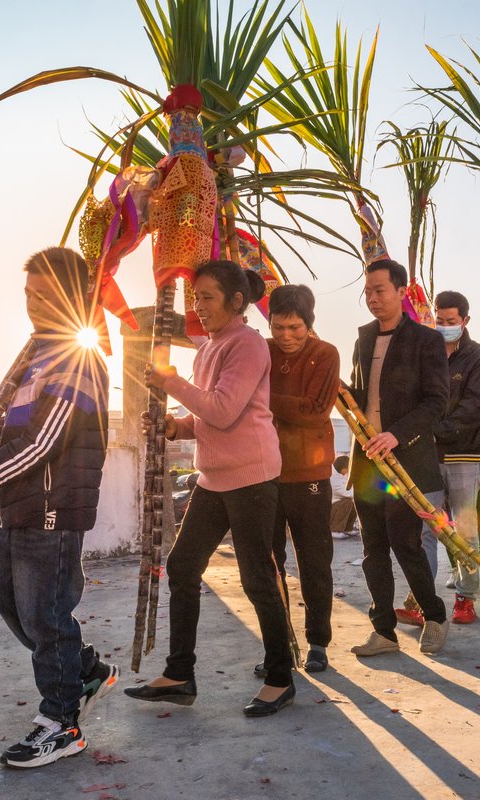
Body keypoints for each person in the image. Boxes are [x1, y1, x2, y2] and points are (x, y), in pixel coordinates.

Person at [0, 248, 116, 769]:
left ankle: (61, 722)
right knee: (12, 606)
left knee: (46, 614)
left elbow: (43, 444)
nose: (34, 305)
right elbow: (6, 427)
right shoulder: (36, 358)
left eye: (45, 295)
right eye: (28, 295)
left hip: (53, 509)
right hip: (17, 506)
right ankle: (83, 671)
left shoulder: (77, 358)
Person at [124, 260, 295, 717]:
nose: (198, 305)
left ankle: (281, 678)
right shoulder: (209, 348)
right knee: (182, 567)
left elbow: (224, 410)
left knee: (257, 577)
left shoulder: (249, 345)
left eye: (207, 297)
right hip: (214, 476)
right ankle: (180, 674)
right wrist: (179, 428)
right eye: (195, 297)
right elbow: (209, 420)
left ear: (237, 302)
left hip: (252, 476)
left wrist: (171, 383)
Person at [346, 258, 450, 656]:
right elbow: (361, 396)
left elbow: (437, 400)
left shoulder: (426, 340)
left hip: (405, 460)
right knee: (372, 547)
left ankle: (435, 616)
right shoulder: (362, 339)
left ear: (402, 291)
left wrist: (397, 434)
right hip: (367, 461)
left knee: (406, 544)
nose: (373, 298)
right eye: (368, 291)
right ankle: (384, 631)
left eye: (380, 290)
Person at [264, 284, 340, 673]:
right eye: (279, 328)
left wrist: (260, 396)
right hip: (263, 474)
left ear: (309, 324)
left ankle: (317, 643)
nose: (286, 336)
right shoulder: (260, 351)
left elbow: (314, 410)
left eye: (295, 328)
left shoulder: (325, 354)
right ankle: (280, 646)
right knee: (267, 565)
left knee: (314, 562)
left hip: (309, 475)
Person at [422, 290, 480, 625]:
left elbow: (476, 405)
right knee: (428, 527)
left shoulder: (479, 357)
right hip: (428, 455)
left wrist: (439, 430)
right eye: (440, 320)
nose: (445, 326)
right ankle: (422, 597)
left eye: (451, 321)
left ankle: (466, 597)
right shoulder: (426, 353)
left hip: (464, 452)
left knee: (464, 529)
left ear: (465, 321)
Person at [330, 455, 358, 537]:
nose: (348, 471)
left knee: (353, 502)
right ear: (342, 468)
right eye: (347, 469)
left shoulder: (339, 474)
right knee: (347, 502)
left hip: (335, 504)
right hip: (329, 509)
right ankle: (334, 529)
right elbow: (348, 493)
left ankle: (347, 528)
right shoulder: (333, 478)